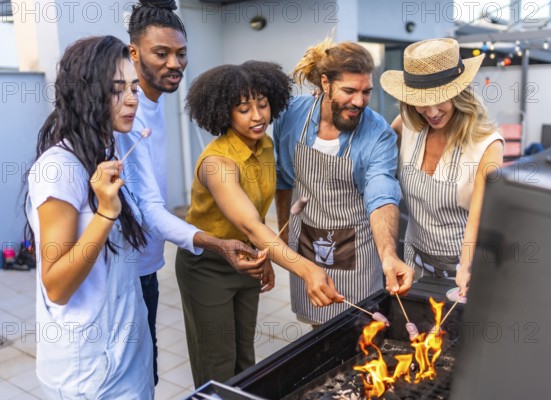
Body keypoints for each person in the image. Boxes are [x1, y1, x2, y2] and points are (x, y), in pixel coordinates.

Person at [116, 0, 265, 385]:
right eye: (161, 53)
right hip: (126, 272)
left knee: (147, 374)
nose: (174, 63)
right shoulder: (127, 115)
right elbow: (148, 208)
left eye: (181, 54)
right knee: (136, 378)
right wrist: (213, 243)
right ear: (133, 52)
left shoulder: (151, 105)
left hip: (149, 265)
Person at [176, 61, 344, 386]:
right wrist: (307, 269)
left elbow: (255, 228)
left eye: (263, 105)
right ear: (224, 113)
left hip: (247, 261)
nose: (257, 116)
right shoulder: (217, 163)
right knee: (218, 367)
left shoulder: (264, 145)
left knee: (245, 359)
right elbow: (252, 224)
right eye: (243, 109)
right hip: (208, 268)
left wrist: (261, 255)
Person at [25, 36, 153, 398]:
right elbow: (57, 285)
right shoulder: (59, 168)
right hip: (90, 370)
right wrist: (106, 214)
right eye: (117, 90)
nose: (131, 99)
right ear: (86, 93)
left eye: (133, 88)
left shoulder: (106, 151)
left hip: (127, 351)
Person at [274, 37, 414, 326]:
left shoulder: (378, 134)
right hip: (307, 245)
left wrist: (389, 254)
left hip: (357, 255)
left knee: (358, 330)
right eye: (349, 91)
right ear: (325, 84)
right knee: (317, 331)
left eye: (366, 92)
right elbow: (284, 179)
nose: (359, 101)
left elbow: (382, 192)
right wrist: (282, 238)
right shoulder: (291, 115)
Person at [380, 38, 504, 296]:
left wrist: (469, 266)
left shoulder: (487, 145)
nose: (432, 111)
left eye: (440, 99)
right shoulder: (407, 125)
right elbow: (374, 154)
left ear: (458, 94)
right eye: (422, 101)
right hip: (415, 264)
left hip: (463, 270)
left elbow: (478, 219)